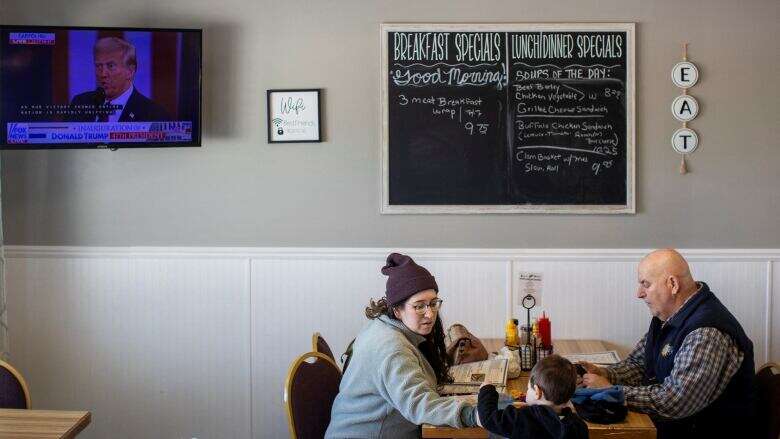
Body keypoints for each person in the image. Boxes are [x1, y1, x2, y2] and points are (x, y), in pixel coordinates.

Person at [580, 249, 755, 439]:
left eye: (645, 284)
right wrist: (605, 374)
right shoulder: (669, 315)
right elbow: (640, 365)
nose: (639, 293)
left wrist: (613, 391)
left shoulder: (706, 333)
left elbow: (676, 401)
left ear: (672, 284)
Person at [325, 252, 478, 438]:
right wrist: (476, 414)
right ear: (397, 310)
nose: (430, 314)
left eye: (433, 303)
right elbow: (421, 405)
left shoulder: (382, 324)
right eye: (419, 306)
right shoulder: (391, 348)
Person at [478, 354, 588, 439]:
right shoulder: (579, 427)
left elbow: (488, 419)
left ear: (537, 392)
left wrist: (486, 390)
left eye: (528, 388)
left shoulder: (523, 418)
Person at [69, 37, 170, 122]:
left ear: (130, 71)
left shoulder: (154, 115)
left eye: (111, 66)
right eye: (99, 66)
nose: (103, 74)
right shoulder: (80, 103)